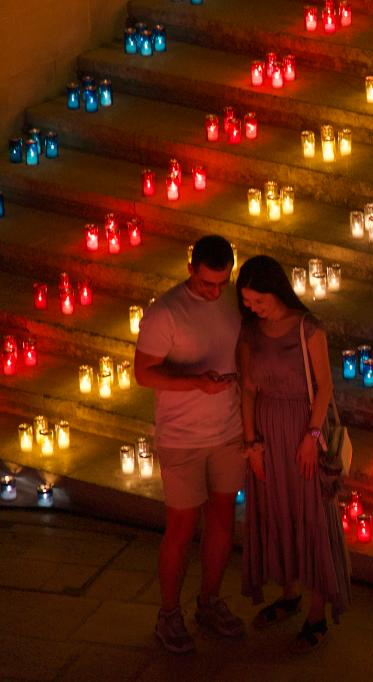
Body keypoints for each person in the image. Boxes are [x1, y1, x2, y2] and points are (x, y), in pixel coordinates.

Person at [134, 235, 246, 653]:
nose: (215, 292)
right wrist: (195, 383)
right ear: (190, 271)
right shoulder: (165, 314)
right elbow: (144, 373)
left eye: (222, 283)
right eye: (206, 284)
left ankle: (209, 601)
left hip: (228, 431)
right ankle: (169, 613)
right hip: (182, 437)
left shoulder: (233, 300)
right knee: (181, 528)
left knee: (221, 520)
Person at [236, 255, 351, 653]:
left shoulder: (308, 328)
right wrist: (251, 444)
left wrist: (310, 435)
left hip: (302, 428)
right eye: (248, 302)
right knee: (276, 512)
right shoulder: (250, 332)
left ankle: (317, 609)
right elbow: (247, 390)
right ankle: (288, 593)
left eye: (259, 301)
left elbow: (324, 388)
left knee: (310, 517)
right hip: (268, 429)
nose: (253, 308)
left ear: (277, 292)